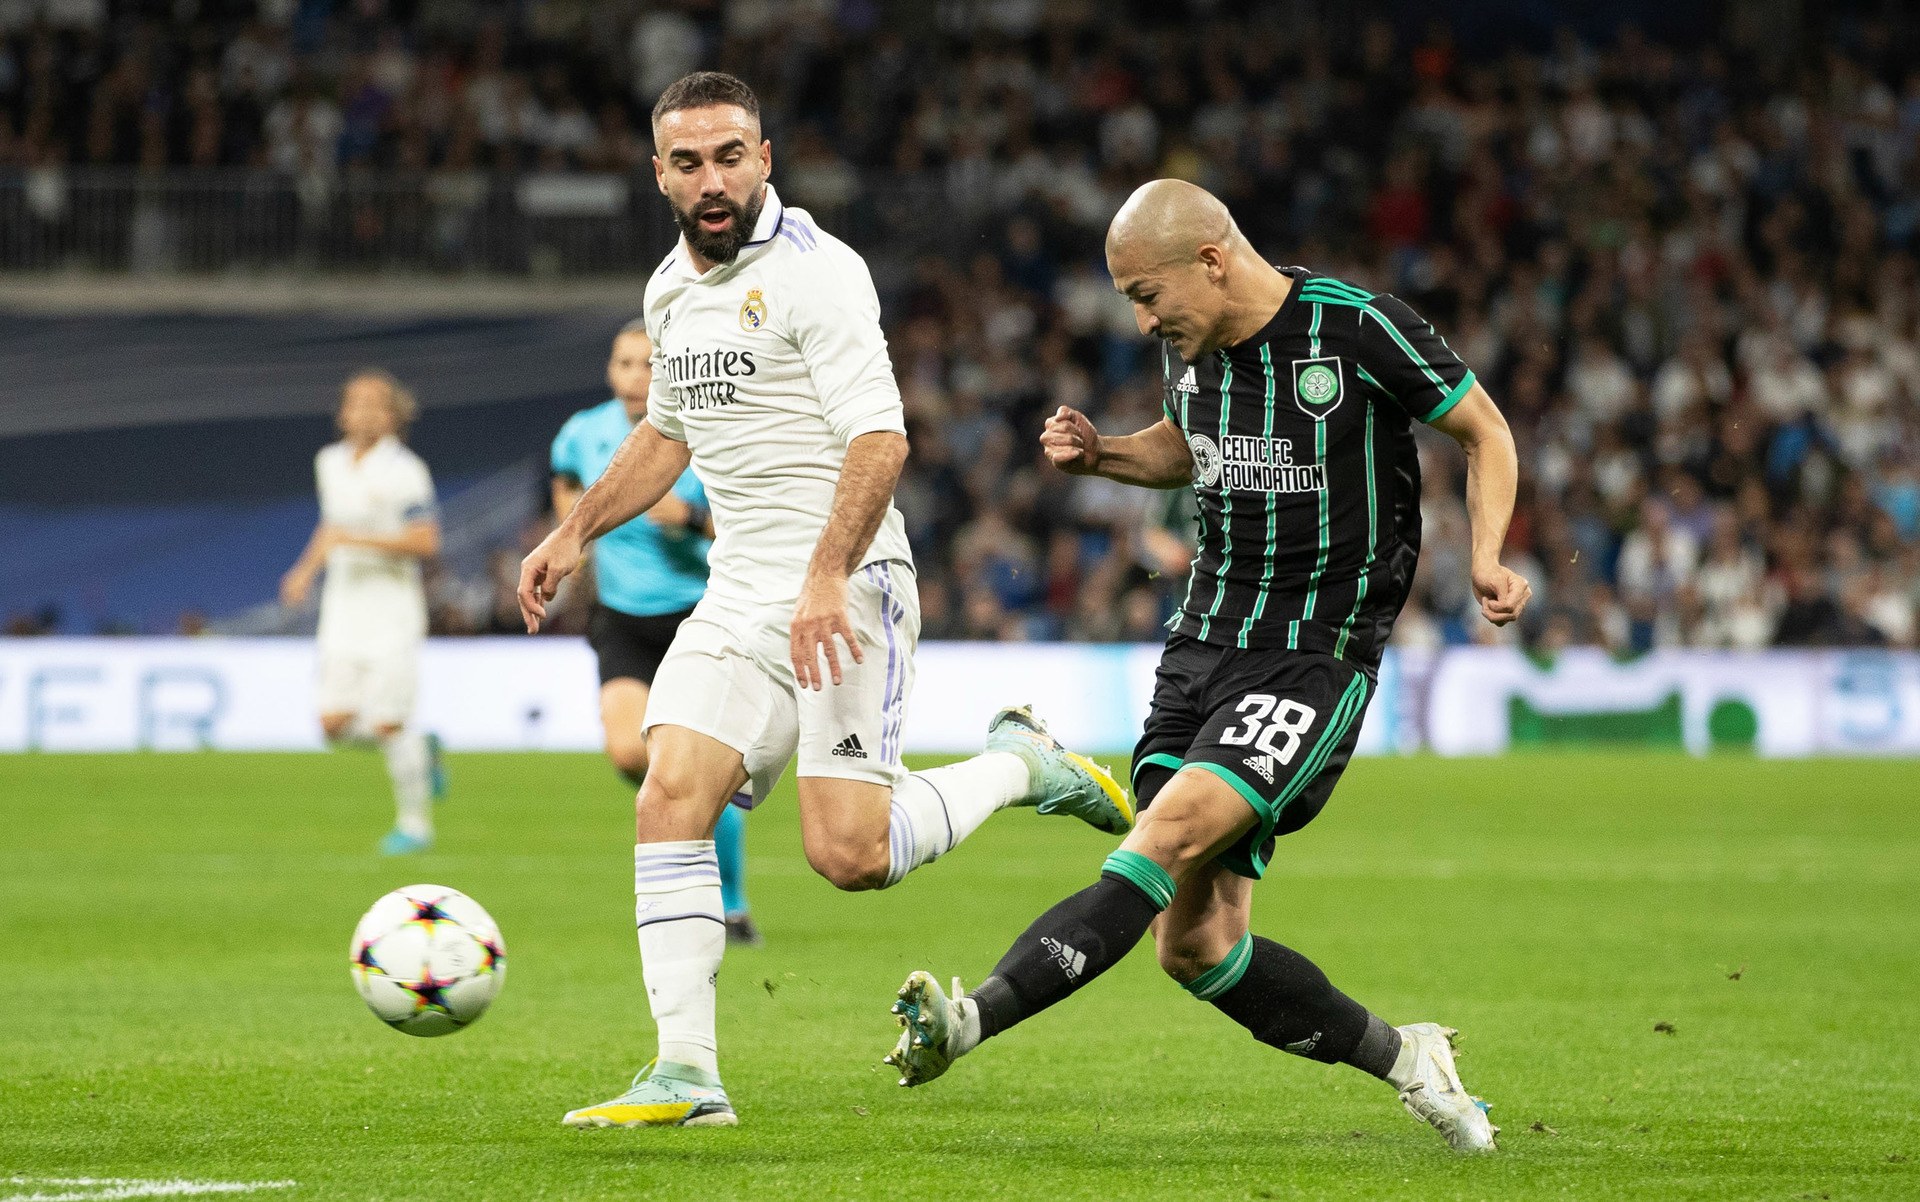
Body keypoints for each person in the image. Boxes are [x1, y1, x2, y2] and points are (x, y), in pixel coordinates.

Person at [515, 71, 1132, 1129]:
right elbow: (666, 434)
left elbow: (880, 436)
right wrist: (574, 531)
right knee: (667, 792)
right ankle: (687, 1073)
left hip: (849, 585)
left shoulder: (819, 273)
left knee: (850, 854)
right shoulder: (671, 289)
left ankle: (1020, 763)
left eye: (730, 156)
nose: (712, 179)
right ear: (657, 173)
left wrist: (824, 575)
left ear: (765, 158)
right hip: (740, 587)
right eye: (688, 161)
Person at [883, 180, 1533, 1154]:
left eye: (1147, 295)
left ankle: (968, 1019)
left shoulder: (1355, 329)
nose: (1140, 317)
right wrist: (1105, 454)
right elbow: (1195, 448)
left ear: (1212, 260)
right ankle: (1411, 1058)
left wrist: (1485, 553)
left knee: (1170, 829)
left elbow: (1485, 428)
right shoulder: (1190, 346)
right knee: (1196, 945)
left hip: (1311, 653)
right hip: (1200, 648)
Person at [551, 321, 760, 945]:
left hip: (701, 616)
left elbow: (752, 523)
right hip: (621, 615)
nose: (636, 376)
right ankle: (698, 814)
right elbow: (567, 489)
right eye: (624, 363)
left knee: (687, 764)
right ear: (611, 371)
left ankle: (731, 901)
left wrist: (690, 519)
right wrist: (577, 532)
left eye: (649, 364)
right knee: (629, 752)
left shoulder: (702, 434)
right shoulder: (582, 434)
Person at [281, 369, 448, 855]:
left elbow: (426, 540)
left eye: (376, 403)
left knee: (388, 723)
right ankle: (423, 749)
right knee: (332, 725)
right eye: (355, 402)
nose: (364, 412)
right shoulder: (328, 462)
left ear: (394, 414)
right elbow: (330, 525)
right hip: (343, 609)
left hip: (393, 610)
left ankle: (415, 825)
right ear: (342, 413)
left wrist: (353, 541)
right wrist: (304, 570)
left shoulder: (406, 470)